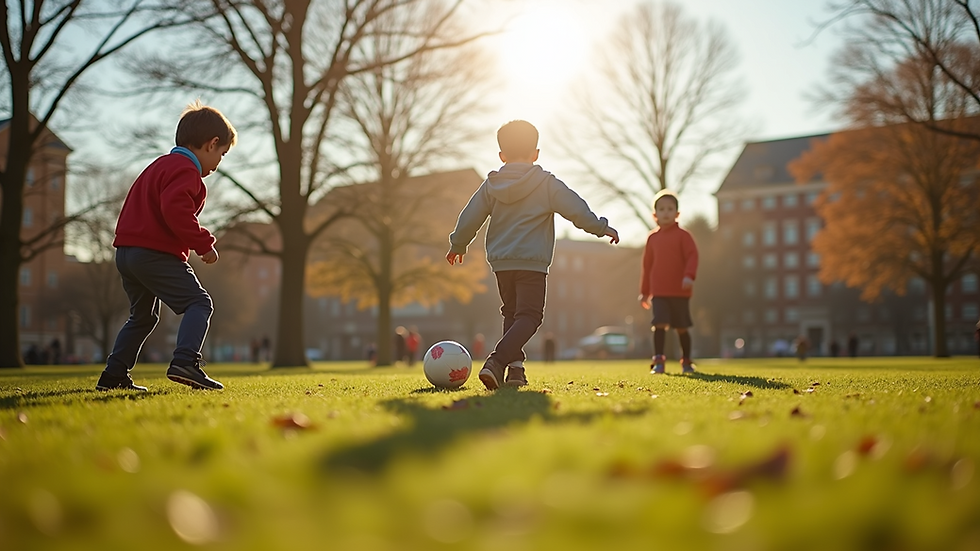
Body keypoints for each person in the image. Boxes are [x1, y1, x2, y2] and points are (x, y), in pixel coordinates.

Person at [447, 120, 619, 390]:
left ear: (502, 156)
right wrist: (600, 226)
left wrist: (458, 244)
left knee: (512, 314)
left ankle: (516, 372)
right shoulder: (546, 184)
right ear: (535, 153)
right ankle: (497, 361)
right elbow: (576, 209)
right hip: (532, 263)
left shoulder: (491, 184)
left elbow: (471, 216)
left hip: (502, 263)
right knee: (530, 317)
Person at [95, 101, 237, 391]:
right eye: (221, 155)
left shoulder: (158, 165)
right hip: (153, 253)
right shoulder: (186, 170)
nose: (218, 164)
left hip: (127, 253)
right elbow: (175, 211)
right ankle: (186, 361)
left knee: (143, 317)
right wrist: (203, 243)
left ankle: (113, 376)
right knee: (199, 303)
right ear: (211, 144)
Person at [639, 190, 698, 375]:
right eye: (662, 209)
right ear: (655, 215)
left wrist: (689, 275)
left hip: (680, 291)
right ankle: (658, 361)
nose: (666, 212)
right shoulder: (652, 238)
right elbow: (647, 266)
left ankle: (686, 361)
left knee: (681, 327)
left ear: (677, 214)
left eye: (670, 209)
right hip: (659, 292)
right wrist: (645, 291)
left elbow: (692, 256)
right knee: (659, 324)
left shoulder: (684, 236)